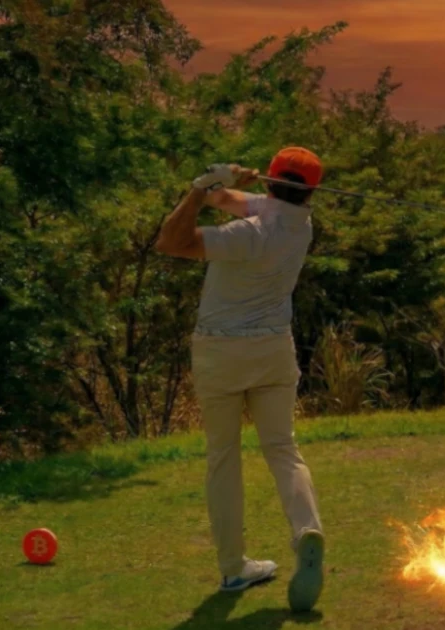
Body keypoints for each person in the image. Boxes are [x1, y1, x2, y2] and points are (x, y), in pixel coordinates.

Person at [154, 147, 326, 612]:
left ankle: (233, 568)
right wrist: (221, 185)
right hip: (273, 349)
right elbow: (232, 200)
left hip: (221, 351)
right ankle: (306, 529)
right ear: (309, 192)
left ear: (271, 181)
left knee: (223, 456)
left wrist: (198, 190)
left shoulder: (247, 234)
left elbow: (171, 241)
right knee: (282, 448)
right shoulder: (301, 224)